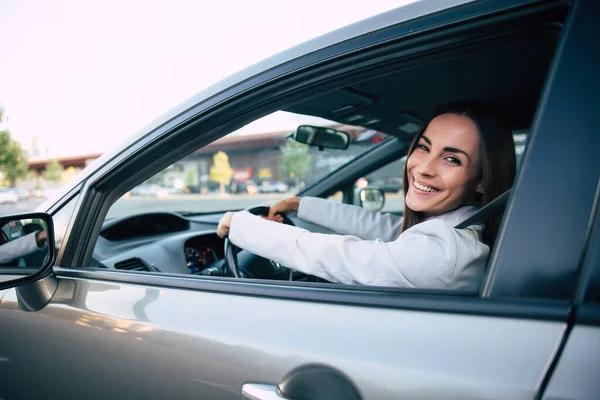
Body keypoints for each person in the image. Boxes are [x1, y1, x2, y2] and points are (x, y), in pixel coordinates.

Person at [217, 102, 516, 290]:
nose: (423, 168)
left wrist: (241, 224)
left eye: (452, 159)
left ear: (481, 181)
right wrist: (299, 204)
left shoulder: (446, 254)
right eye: (424, 147)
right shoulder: (460, 229)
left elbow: (342, 257)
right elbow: (385, 228)